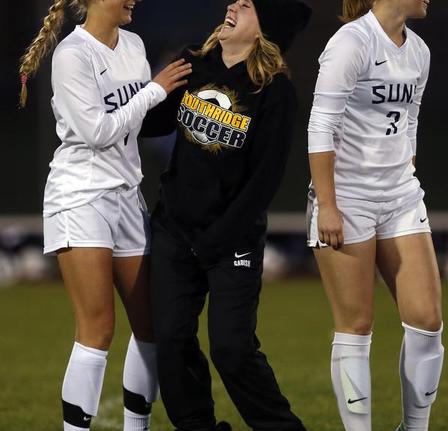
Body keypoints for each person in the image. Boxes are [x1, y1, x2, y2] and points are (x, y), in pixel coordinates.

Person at [17, 0, 190, 429]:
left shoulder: (133, 44)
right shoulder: (72, 54)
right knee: (97, 329)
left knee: (151, 326)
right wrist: (155, 89)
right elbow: (97, 132)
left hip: (127, 195)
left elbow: (139, 122)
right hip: (81, 196)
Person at [139, 0, 311, 430]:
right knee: (172, 339)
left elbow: (265, 180)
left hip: (232, 238)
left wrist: (217, 239)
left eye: (247, 4)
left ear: (264, 28)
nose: (232, 5)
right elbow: (151, 126)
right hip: (175, 230)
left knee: (232, 349)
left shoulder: (275, 91)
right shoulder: (193, 62)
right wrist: (154, 90)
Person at [306, 1, 444, 430]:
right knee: (356, 326)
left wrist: (403, 168)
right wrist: (328, 204)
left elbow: (411, 120)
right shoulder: (352, 42)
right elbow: (320, 126)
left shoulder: (418, 50)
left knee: (427, 321)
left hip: (401, 196)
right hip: (348, 197)